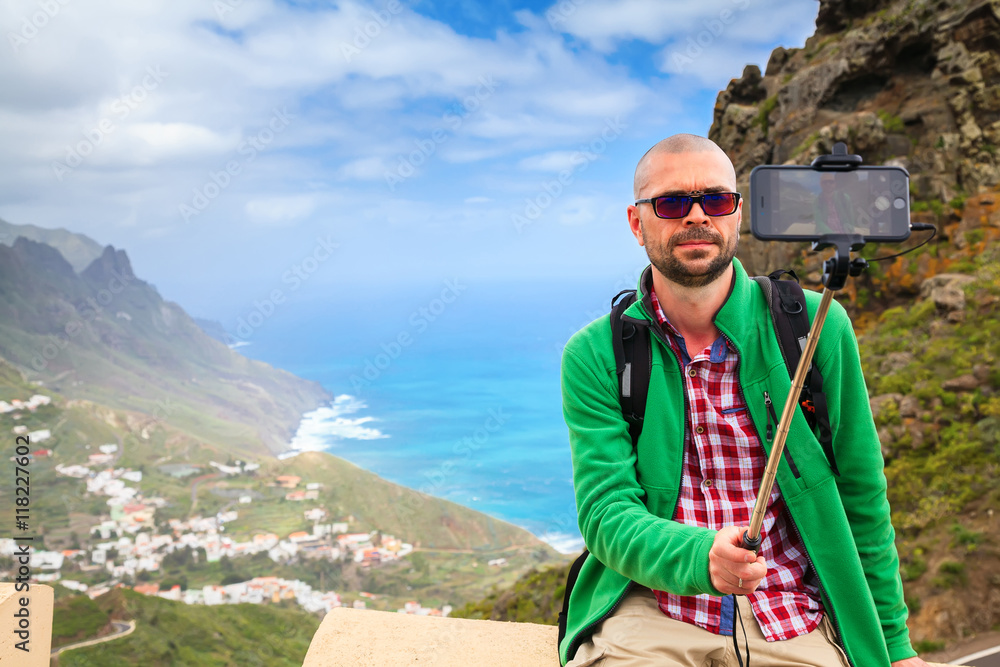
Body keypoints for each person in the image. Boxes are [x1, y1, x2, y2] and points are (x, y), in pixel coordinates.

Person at [558, 134, 929, 667]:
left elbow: (862, 493)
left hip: (793, 614)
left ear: (736, 214)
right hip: (655, 610)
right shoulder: (597, 353)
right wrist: (701, 557)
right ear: (637, 223)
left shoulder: (813, 328)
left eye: (714, 199)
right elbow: (605, 512)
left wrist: (894, 647)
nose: (695, 216)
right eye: (669, 203)